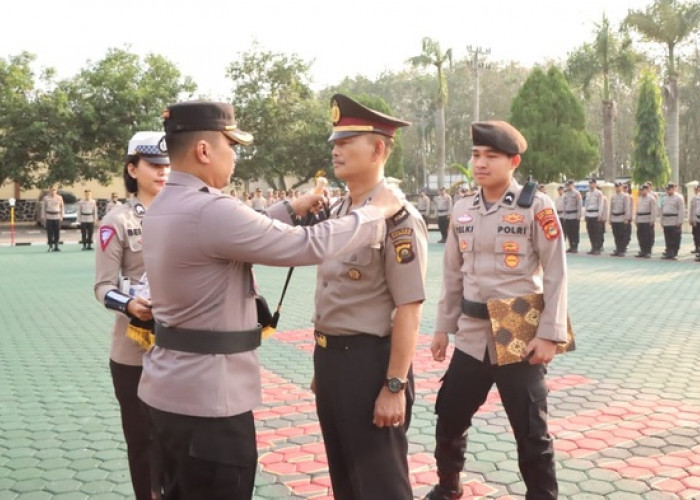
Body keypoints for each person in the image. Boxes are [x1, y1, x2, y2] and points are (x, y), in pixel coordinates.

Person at [138, 101, 404, 500]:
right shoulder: (210, 210)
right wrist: (374, 214)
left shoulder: (165, 204)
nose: (236, 157)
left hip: (169, 392)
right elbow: (304, 244)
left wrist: (290, 208)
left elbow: (235, 230)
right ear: (204, 151)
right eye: (232, 146)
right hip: (210, 405)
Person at [425, 121, 566, 500]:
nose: (481, 163)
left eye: (491, 156)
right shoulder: (462, 208)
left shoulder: (537, 206)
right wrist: (442, 328)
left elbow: (556, 273)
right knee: (450, 417)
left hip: (519, 334)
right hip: (471, 335)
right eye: (476, 155)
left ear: (513, 161)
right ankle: (448, 486)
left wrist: (550, 334)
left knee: (531, 434)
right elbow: (452, 274)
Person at [311, 94, 428, 500]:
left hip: (370, 365)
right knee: (346, 481)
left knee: (381, 487)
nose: (336, 150)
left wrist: (394, 386)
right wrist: (322, 368)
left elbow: (409, 310)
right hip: (331, 361)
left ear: (378, 148)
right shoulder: (342, 211)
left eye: (346, 142)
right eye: (335, 143)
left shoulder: (398, 218)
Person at [94, 131, 171, 500]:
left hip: (181, 347)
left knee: (178, 439)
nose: (163, 172)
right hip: (133, 349)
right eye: (154, 165)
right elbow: (102, 287)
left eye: (168, 165)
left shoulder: (187, 211)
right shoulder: (117, 221)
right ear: (132, 168)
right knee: (142, 441)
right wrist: (128, 305)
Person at [660, 182, 685, 259]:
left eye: (670, 189)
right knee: (667, 238)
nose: (668, 191)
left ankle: (674, 252)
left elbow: (681, 210)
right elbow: (662, 210)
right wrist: (662, 221)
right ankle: (669, 252)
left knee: (675, 238)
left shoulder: (679, 198)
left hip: (674, 220)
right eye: (667, 189)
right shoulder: (664, 198)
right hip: (666, 221)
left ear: (673, 189)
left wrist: (680, 221)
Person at [609, 182, 632, 256]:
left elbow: (627, 208)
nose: (617, 188)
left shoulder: (625, 196)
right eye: (616, 186)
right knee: (616, 235)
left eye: (619, 186)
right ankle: (617, 249)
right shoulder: (613, 197)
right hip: (614, 218)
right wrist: (610, 218)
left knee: (622, 234)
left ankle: (622, 250)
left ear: (621, 187)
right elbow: (611, 208)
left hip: (621, 218)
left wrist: (626, 218)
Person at [584, 178, 607, 255]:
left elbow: (601, 204)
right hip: (589, 214)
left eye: (592, 183)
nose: (591, 184)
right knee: (590, 232)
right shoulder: (587, 193)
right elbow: (586, 205)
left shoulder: (599, 193)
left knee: (596, 232)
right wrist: (585, 214)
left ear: (595, 184)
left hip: (596, 214)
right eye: (590, 183)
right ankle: (593, 247)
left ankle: (597, 248)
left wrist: (600, 215)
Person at [635, 183, 657, 258]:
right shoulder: (639, 198)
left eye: (643, 190)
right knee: (640, 236)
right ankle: (642, 250)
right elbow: (637, 210)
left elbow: (653, 211)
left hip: (647, 220)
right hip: (640, 220)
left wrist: (652, 220)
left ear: (646, 190)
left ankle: (648, 251)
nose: (642, 192)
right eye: (640, 190)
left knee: (648, 236)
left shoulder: (651, 198)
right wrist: (636, 220)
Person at [41, 186, 64, 252]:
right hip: (49, 216)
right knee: (49, 232)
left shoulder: (59, 198)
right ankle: (50, 246)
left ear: (56, 191)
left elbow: (62, 207)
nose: (53, 191)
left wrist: (62, 216)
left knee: (57, 232)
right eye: (52, 190)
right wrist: (43, 217)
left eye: (54, 190)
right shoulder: (46, 198)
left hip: (57, 216)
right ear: (49, 190)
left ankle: (56, 245)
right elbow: (44, 208)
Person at [562, 180, 582, 253]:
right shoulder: (565, 194)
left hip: (574, 215)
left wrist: (579, 215)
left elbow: (579, 205)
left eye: (570, 185)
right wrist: (564, 216)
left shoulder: (576, 193)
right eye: (567, 185)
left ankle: (575, 246)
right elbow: (564, 205)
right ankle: (571, 246)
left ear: (572, 185)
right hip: (567, 215)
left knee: (574, 232)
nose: (568, 186)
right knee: (568, 232)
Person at [690, 184, 700, 255]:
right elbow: (692, 210)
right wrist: (691, 219)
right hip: (696, 220)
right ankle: (697, 248)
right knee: (696, 234)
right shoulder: (694, 198)